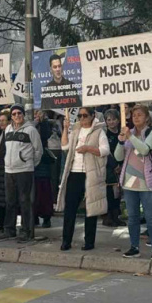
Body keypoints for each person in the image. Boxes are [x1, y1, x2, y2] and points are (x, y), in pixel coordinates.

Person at [57, 106, 108, 251]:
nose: (82, 119)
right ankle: (66, 240)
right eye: (79, 116)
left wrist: (88, 148)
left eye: (85, 115)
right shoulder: (76, 130)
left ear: (93, 116)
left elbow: (105, 150)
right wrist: (66, 129)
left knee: (90, 208)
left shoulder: (99, 131)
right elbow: (64, 146)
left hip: (90, 173)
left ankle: (89, 241)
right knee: (70, 208)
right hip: (74, 172)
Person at [115, 105, 152, 260]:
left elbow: (144, 150)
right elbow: (118, 157)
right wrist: (121, 142)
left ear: (147, 118)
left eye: (140, 115)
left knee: (151, 217)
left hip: (147, 183)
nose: (136, 118)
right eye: (134, 115)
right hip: (130, 183)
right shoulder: (129, 134)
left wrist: (130, 137)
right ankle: (134, 247)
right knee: (133, 217)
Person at [0, 104, 43, 243]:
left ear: (23, 114)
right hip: (9, 170)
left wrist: (28, 163)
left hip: (24, 170)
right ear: (11, 116)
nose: (17, 116)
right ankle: (9, 230)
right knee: (10, 201)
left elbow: (38, 150)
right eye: (14, 114)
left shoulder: (31, 130)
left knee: (25, 201)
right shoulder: (8, 129)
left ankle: (26, 231)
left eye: (19, 113)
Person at [101, 109, 126, 227]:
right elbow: (106, 152)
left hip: (122, 166)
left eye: (113, 119)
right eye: (108, 120)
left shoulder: (121, 134)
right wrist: (114, 165)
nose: (111, 122)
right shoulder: (105, 135)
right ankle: (108, 217)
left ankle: (116, 217)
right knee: (109, 193)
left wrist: (121, 165)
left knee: (118, 193)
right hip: (109, 167)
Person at [33, 110, 55, 228]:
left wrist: (42, 122)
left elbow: (46, 136)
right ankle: (34, 216)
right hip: (29, 163)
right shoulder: (28, 123)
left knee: (44, 191)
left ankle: (46, 217)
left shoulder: (45, 124)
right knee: (33, 193)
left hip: (42, 163)